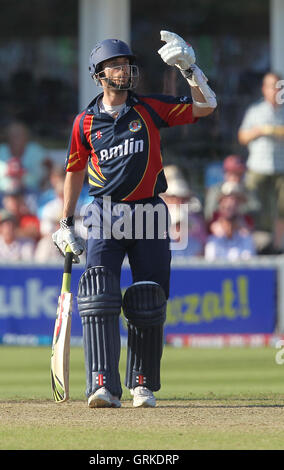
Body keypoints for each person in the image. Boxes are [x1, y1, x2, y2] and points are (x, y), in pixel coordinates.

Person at [52, 31, 216, 408]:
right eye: (116, 65)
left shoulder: (149, 108)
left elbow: (207, 106)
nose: (125, 71)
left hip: (148, 212)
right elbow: (74, 172)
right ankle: (102, 386)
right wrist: (65, 223)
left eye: (127, 65)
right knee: (98, 297)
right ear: (99, 74)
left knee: (148, 299)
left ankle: (141, 383)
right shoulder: (84, 123)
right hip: (105, 213)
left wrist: (191, 70)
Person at [238, 72, 284, 251]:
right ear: (264, 89)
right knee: (254, 207)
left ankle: (279, 247)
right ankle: (257, 246)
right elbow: (242, 136)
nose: (276, 90)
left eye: (279, 86)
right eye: (273, 86)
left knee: (281, 210)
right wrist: (260, 131)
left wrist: (275, 131)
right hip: (258, 167)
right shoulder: (255, 111)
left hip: (281, 168)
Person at [0, 121, 50, 195]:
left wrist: (44, 183)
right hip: (5, 195)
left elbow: (50, 166)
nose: (16, 138)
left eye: (20, 135)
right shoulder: (0, 151)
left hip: (32, 193)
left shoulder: (35, 151)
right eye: (13, 135)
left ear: (26, 136)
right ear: (8, 137)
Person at [204, 184, 256, 261]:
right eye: (226, 200)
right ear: (220, 203)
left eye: (234, 200)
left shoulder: (246, 229)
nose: (230, 203)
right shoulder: (212, 226)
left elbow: (249, 260)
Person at [204, 154, 260, 224]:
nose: (237, 178)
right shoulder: (215, 190)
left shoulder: (248, 189)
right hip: (220, 228)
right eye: (233, 174)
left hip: (243, 228)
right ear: (225, 174)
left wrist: (236, 207)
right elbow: (209, 213)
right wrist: (226, 207)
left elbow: (256, 209)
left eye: (240, 174)